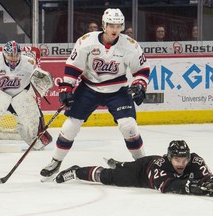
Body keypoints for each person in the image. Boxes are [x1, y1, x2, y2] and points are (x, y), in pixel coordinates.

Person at [40, 8, 150, 181]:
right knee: (70, 127)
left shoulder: (130, 46)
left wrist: (139, 85)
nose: (115, 29)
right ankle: (55, 161)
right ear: (104, 25)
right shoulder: (86, 42)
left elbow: (142, 70)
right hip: (89, 89)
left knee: (129, 126)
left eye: (119, 25)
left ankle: (144, 165)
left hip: (118, 91)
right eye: (111, 25)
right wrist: (66, 88)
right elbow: (73, 66)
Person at [55, 140, 213, 197]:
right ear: (169, 157)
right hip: (141, 172)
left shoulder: (195, 160)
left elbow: (206, 176)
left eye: (184, 159)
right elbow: (166, 186)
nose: (181, 164)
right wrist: (190, 187)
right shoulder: (161, 165)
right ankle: (76, 171)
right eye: (176, 160)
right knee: (109, 176)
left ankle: (118, 163)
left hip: (148, 166)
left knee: (120, 166)